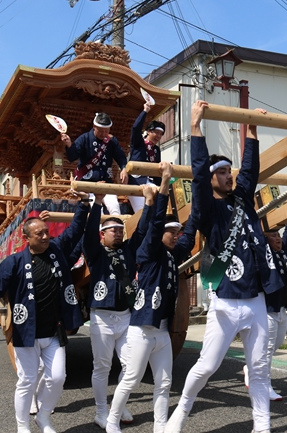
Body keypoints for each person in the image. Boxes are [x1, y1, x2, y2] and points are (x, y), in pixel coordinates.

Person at [165, 101, 283, 433]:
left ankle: (262, 425)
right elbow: (198, 175)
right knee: (207, 366)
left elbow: (250, 171)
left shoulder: (242, 199)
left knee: (259, 369)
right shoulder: (206, 209)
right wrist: (195, 128)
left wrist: (253, 130)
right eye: (221, 172)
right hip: (226, 301)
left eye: (229, 171)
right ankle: (182, 411)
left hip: (256, 300)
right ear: (210, 177)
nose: (228, 175)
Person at [0, 195, 90, 433]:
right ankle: (22, 425)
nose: (45, 237)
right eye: (39, 234)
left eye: (46, 232)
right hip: (27, 332)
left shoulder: (57, 250)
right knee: (27, 380)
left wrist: (84, 205)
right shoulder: (14, 262)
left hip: (53, 331)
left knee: (58, 378)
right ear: (26, 238)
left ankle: (43, 417)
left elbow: (74, 231)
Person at [106, 162, 199, 433]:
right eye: (172, 233)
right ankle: (111, 420)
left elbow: (191, 230)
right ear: (160, 235)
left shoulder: (173, 254)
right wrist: (165, 184)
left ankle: (160, 426)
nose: (177, 236)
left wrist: (200, 196)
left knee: (165, 382)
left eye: (177, 233)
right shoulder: (149, 250)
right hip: (141, 330)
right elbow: (156, 223)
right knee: (131, 379)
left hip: (162, 332)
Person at [84, 184, 154, 429]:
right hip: (101, 317)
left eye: (120, 230)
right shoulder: (95, 252)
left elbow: (142, 229)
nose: (117, 233)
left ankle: (118, 403)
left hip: (126, 316)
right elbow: (88, 233)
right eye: (112, 230)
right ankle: (101, 411)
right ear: (102, 235)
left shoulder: (128, 249)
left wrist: (148, 203)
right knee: (102, 367)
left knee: (132, 366)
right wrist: (97, 203)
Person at [243, 215, 287, 402]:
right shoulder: (265, 254)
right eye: (273, 235)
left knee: (275, 345)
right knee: (267, 350)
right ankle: (265, 386)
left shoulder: (285, 251)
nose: (278, 238)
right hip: (267, 309)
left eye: (279, 235)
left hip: (282, 309)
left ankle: (250, 368)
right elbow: (255, 237)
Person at [63, 111, 129, 215]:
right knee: (96, 209)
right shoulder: (85, 138)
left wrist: (124, 168)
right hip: (87, 184)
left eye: (106, 131)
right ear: (94, 126)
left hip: (106, 183)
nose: (103, 134)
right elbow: (72, 157)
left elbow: (120, 156)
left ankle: (116, 225)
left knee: (115, 207)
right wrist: (69, 145)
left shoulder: (111, 141)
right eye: (101, 131)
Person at [126, 102, 165, 212]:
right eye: (156, 132)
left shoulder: (156, 150)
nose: (158, 136)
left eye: (161, 134)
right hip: (136, 181)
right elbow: (135, 128)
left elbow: (157, 171)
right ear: (148, 131)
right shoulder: (139, 143)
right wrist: (145, 111)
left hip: (150, 182)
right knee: (140, 211)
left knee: (157, 204)